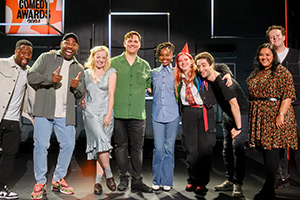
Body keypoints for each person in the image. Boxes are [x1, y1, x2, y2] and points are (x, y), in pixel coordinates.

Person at [27, 33, 85, 200]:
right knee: (41, 147)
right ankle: (39, 182)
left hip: (65, 115)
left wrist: (76, 87)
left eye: (73, 44)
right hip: (44, 112)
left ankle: (58, 179)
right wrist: (48, 79)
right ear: (62, 44)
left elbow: (81, 93)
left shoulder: (79, 68)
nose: (69, 46)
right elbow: (31, 76)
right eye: (67, 42)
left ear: (77, 48)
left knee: (68, 145)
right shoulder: (47, 57)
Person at [174, 43, 232, 195]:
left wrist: (227, 73)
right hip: (188, 113)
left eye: (186, 60)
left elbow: (219, 66)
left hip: (205, 111)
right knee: (191, 149)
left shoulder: (199, 72)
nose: (183, 63)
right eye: (180, 61)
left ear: (191, 61)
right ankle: (192, 180)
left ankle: (202, 182)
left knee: (205, 149)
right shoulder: (178, 78)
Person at [246, 43, 298, 200]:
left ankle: (269, 187)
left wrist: (281, 114)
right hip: (260, 115)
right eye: (262, 55)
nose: (264, 57)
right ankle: (271, 185)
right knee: (267, 151)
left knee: (272, 151)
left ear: (273, 56)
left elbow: (288, 95)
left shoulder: (282, 72)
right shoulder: (257, 73)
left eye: (268, 55)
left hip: (275, 114)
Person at [195, 52, 249, 198]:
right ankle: (230, 180)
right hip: (228, 116)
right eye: (199, 66)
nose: (201, 69)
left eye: (204, 65)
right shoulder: (209, 74)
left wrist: (238, 128)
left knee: (237, 148)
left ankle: (238, 184)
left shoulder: (225, 81)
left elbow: (235, 106)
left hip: (240, 115)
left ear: (212, 66)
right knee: (226, 150)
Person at [111, 31, 152, 193]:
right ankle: (123, 179)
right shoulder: (113, 63)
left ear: (139, 45)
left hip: (137, 114)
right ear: (124, 43)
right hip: (118, 113)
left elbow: (151, 85)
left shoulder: (145, 65)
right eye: (130, 41)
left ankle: (137, 180)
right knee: (120, 147)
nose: (132, 43)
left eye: (135, 41)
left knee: (137, 148)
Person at [266, 25, 300, 189]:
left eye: (278, 35)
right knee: (278, 144)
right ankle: (282, 177)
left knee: (298, 143)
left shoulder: (297, 55)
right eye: (272, 37)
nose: (275, 38)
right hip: (276, 106)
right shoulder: (268, 58)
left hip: (297, 105)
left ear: (284, 37)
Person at [0, 39, 33, 199]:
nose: (26, 56)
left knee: (9, 156)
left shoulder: (29, 72)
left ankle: (1, 188)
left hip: (13, 121)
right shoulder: (2, 64)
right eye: (23, 52)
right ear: (16, 52)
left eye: (29, 54)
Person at [81, 46, 117, 195]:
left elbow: (111, 94)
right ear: (93, 57)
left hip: (105, 113)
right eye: (98, 57)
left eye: (104, 57)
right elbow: (82, 93)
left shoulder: (111, 72)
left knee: (101, 149)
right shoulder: (85, 73)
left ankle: (97, 182)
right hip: (90, 113)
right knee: (102, 142)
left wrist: (108, 114)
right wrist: (81, 100)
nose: (101, 60)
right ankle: (109, 175)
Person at [151, 42, 180, 192]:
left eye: (167, 55)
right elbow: (150, 89)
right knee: (158, 149)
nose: (164, 57)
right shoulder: (153, 72)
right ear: (158, 57)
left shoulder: (177, 73)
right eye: (161, 55)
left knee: (169, 149)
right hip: (157, 115)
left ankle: (167, 180)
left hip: (172, 115)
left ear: (171, 56)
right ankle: (157, 179)